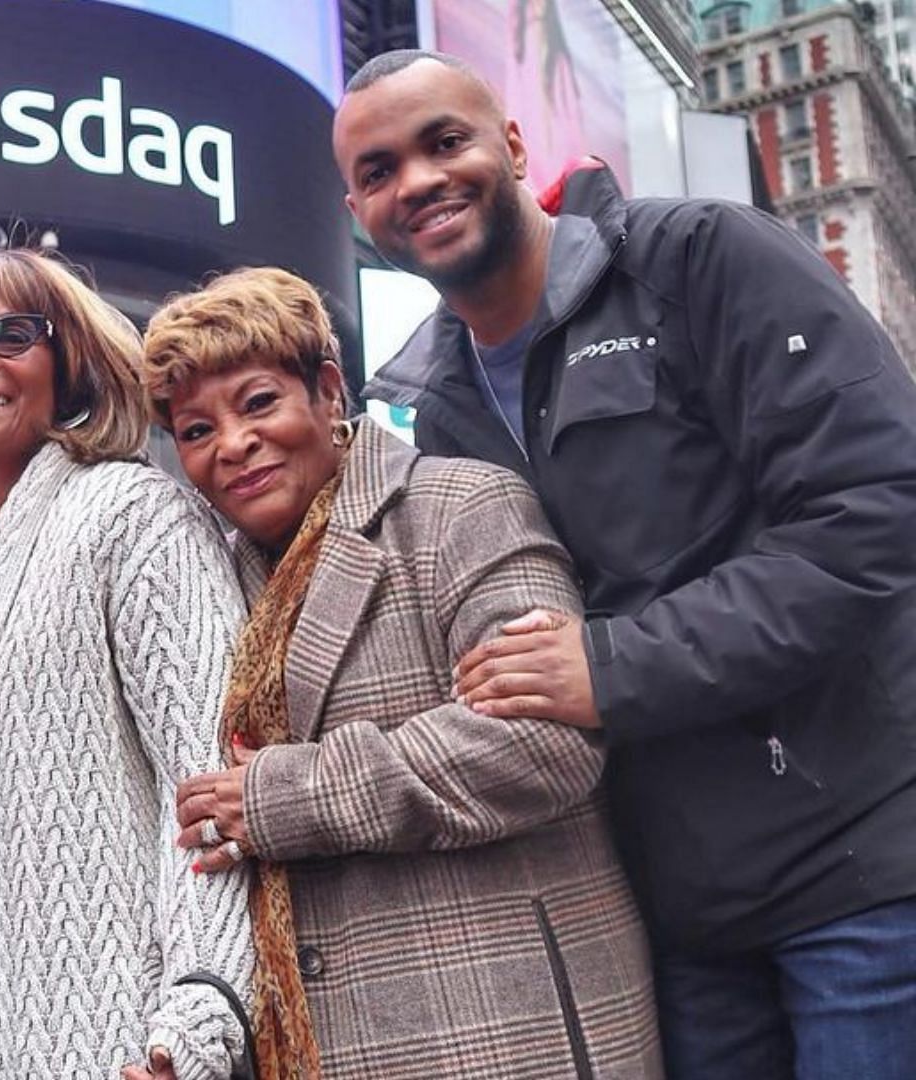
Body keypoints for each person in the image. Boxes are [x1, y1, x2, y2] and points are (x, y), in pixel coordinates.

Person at [341, 50, 916, 1078]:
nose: (418, 182)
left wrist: (611, 668)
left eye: (443, 142)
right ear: (359, 209)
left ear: (513, 146)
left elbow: (873, 515)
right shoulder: (439, 409)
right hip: (683, 919)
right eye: (379, 171)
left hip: (866, 874)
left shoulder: (700, 257)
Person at [142, 266, 660, 1079]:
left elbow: (544, 742)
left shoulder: (460, 506)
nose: (233, 446)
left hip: (501, 1030)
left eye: (257, 404)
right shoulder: (213, 581)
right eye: (196, 431)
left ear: (326, 389)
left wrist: (286, 797)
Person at [0, 247, 253, 1080]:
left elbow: (210, 789)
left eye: (10, 333)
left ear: (68, 365)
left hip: (117, 1039)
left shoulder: (136, 515)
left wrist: (196, 1019)